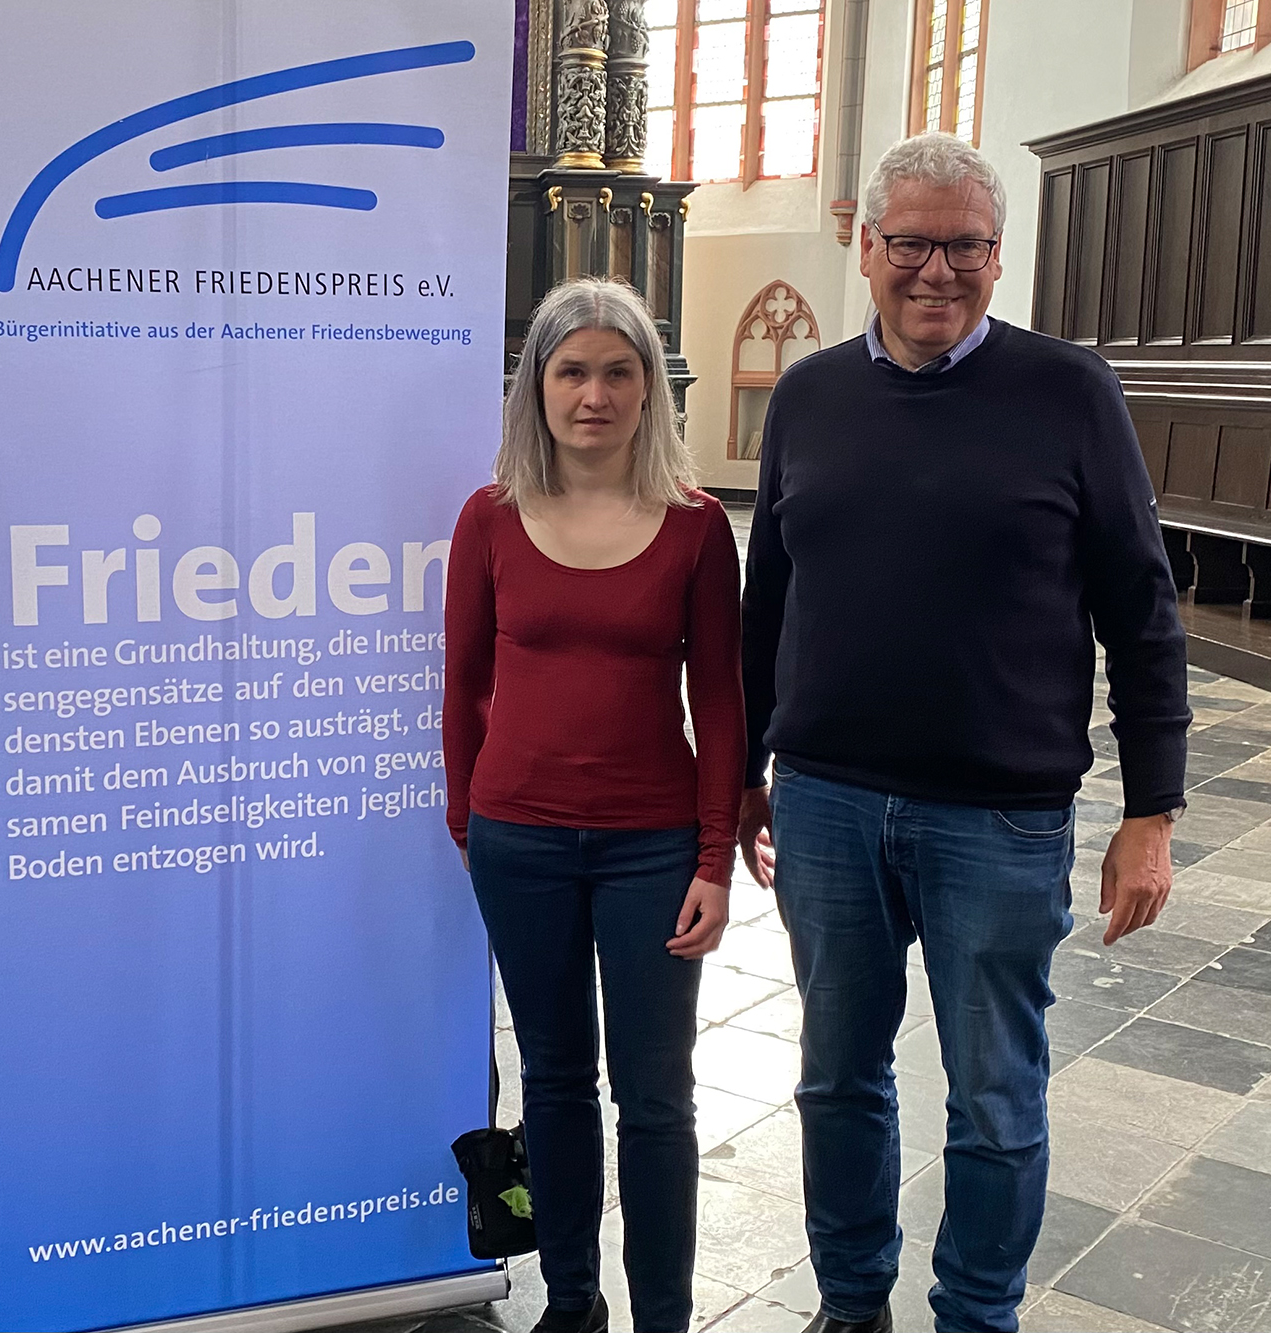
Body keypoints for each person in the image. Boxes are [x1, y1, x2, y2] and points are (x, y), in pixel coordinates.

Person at [738, 132, 1190, 1333]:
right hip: (828, 802)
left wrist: (1149, 812)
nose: (935, 271)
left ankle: (974, 1314)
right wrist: (739, 774)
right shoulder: (808, 393)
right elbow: (764, 602)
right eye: (910, 244)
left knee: (993, 1096)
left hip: (996, 814)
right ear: (863, 245)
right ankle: (849, 1302)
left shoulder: (1067, 391)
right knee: (836, 1080)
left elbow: (1140, 613)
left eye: (965, 247)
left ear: (998, 256)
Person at [445, 277, 746, 1333]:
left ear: (647, 389)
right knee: (557, 1080)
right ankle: (571, 1302)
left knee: (656, 1098)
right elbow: (462, 682)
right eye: (570, 370)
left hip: (650, 847)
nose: (593, 394)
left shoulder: (695, 528)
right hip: (517, 839)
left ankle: (663, 1313)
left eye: (618, 372)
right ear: (535, 384)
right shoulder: (486, 518)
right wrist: (465, 822)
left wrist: (712, 858)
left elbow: (719, 699)